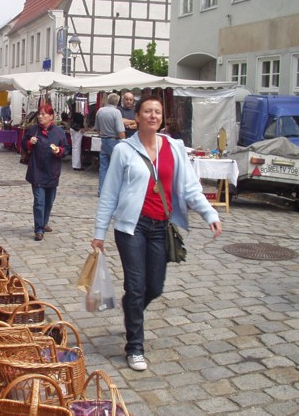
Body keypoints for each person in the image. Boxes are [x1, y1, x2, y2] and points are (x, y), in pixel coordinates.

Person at [91, 94, 222, 372]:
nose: (153, 116)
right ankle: (135, 346)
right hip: (132, 227)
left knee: (155, 287)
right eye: (147, 111)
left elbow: (189, 188)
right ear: (136, 117)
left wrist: (210, 213)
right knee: (136, 287)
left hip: (161, 227)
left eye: (157, 112)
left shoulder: (173, 148)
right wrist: (99, 232)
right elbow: (109, 194)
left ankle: (132, 310)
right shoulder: (124, 151)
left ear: (161, 118)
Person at [22, 103, 68, 241]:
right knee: (39, 202)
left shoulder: (59, 132)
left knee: (49, 202)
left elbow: (66, 149)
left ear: (51, 116)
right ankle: (39, 229)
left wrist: (59, 151)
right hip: (37, 171)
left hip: (52, 172)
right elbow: (23, 144)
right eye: (39, 114)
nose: (40, 117)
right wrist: (30, 142)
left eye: (43, 114)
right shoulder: (33, 130)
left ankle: (45, 222)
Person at [94, 93, 125, 194]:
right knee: (116, 167)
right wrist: (124, 141)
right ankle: (114, 190)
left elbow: (97, 129)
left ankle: (101, 190)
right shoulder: (116, 112)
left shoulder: (100, 111)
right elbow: (120, 130)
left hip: (104, 140)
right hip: (114, 140)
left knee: (103, 167)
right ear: (117, 101)